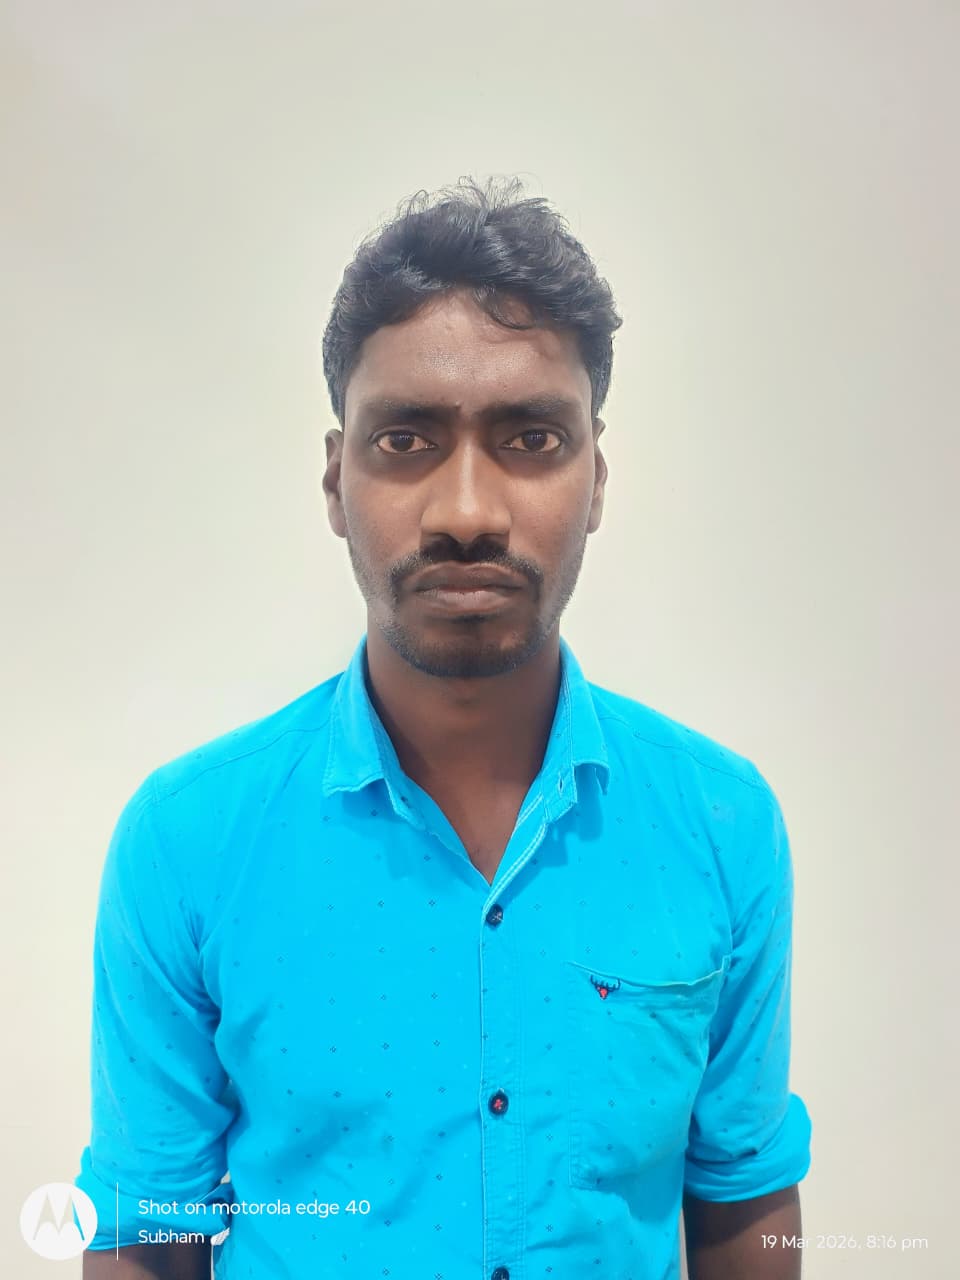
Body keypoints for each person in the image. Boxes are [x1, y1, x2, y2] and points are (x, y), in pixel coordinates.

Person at [77, 175, 812, 1279]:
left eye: (531, 437)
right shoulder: (187, 841)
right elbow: (148, 1231)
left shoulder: (721, 822)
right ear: (337, 479)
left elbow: (742, 1197)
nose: (467, 511)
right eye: (408, 439)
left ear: (596, 479)